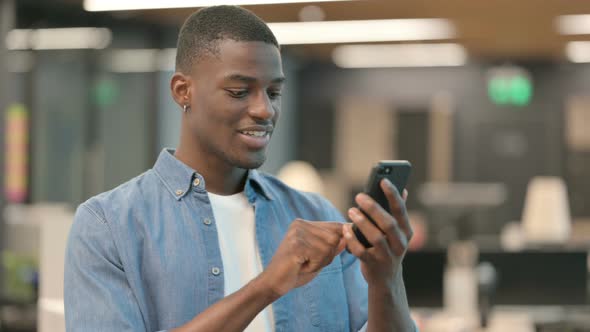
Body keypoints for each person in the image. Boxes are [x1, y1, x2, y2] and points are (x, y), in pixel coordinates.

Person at [64, 5, 415, 332]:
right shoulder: (108, 226)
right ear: (183, 90)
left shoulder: (317, 214)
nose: (265, 110)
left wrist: (386, 279)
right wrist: (267, 285)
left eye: (274, 93)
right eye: (239, 91)